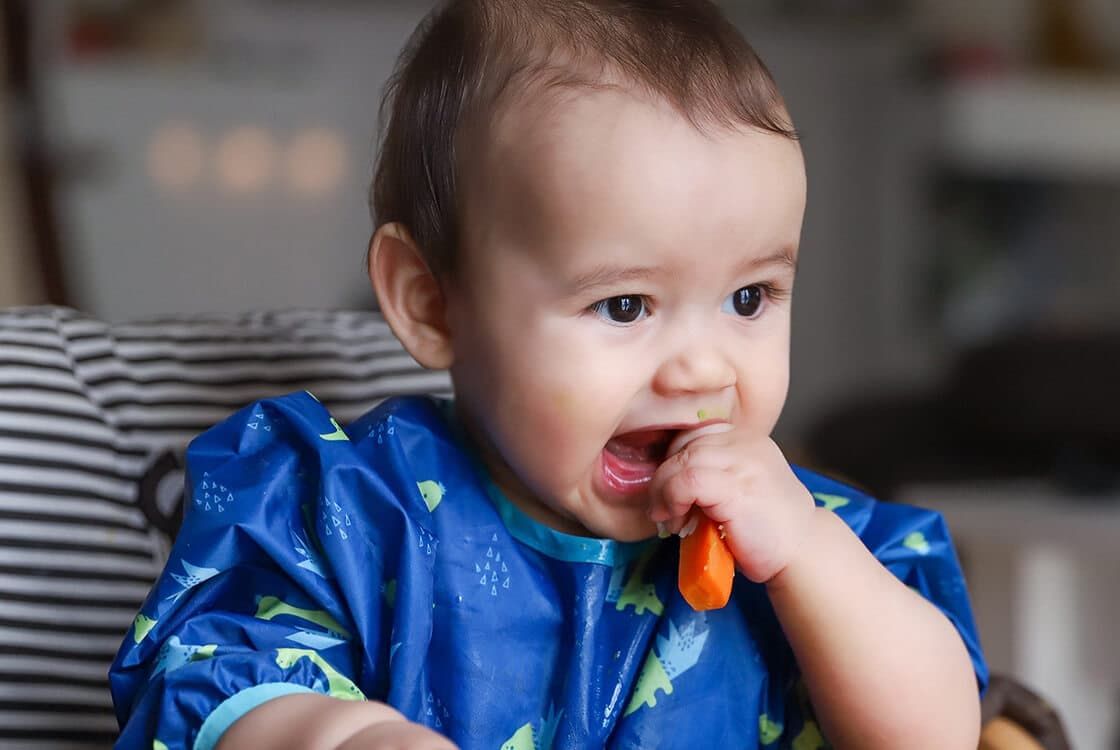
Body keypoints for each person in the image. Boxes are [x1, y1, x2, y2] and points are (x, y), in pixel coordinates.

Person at [110, 1, 986, 747]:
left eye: (750, 297)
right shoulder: (346, 513)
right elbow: (215, 688)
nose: (704, 367)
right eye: (625, 306)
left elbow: (945, 732)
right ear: (433, 305)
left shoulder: (821, 547)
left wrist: (807, 557)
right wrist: (347, 733)